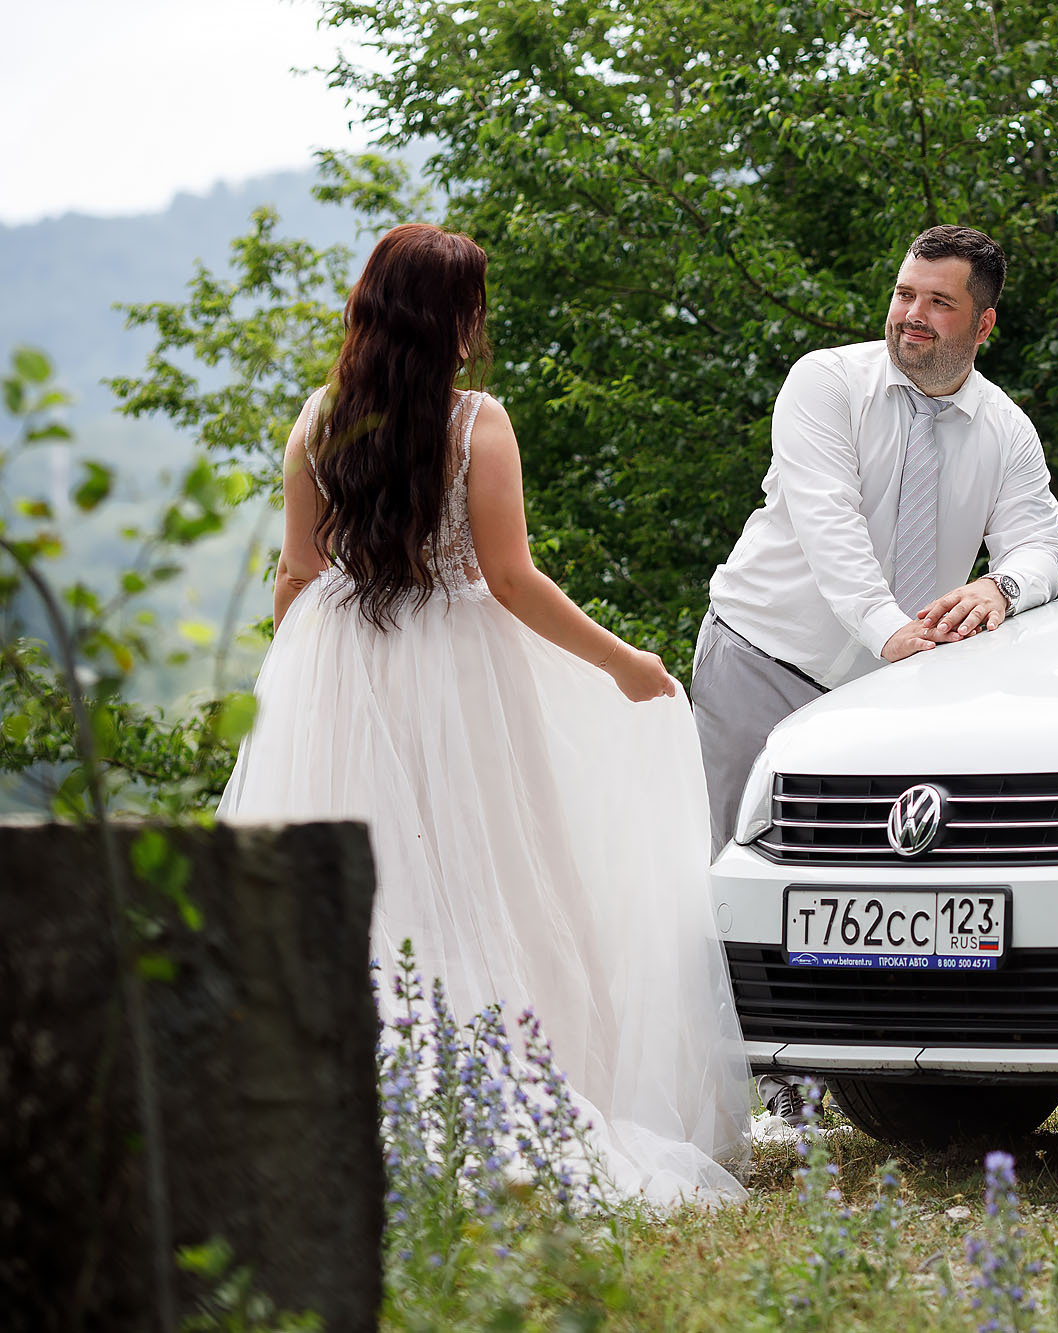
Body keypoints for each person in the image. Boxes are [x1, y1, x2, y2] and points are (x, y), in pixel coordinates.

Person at [219, 222, 750, 1207]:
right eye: (473, 305)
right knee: (487, 875)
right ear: (447, 319)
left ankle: (343, 1111)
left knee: (364, 892)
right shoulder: (477, 424)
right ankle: (502, 1095)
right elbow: (509, 578)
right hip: (459, 672)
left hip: (339, 662)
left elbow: (296, 574)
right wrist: (625, 661)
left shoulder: (317, 420)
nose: (480, 322)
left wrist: (297, 691)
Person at [693, 225, 1058, 1122]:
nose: (914, 316)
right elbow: (829, 527)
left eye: (940, 302)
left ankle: (830, 1076)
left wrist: (1001, 586)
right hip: (766, 655)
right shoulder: (824, 382)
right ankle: (721, 1089)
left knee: (867, 890)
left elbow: (1040, 539)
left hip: (892, 696)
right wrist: (893, 633)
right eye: (906, 294)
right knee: (728, 878)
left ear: (984, 325)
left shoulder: (1006, 428)